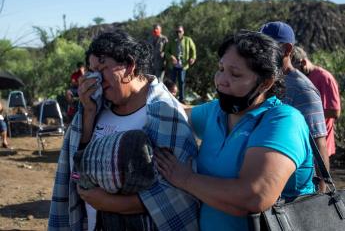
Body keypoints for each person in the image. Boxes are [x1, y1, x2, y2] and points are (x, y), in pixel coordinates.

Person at [156, 31, 315, 231]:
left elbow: (254, 196)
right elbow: (180, 112)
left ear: (266, 82)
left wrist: (185, 179)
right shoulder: (217, 111)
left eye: (235, 74)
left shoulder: (283, 121)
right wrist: (149, 88)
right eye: (220, 69)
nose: (221, 79)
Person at [48, 30, 199, 231]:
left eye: (102, 69)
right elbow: (77, 166)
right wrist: (89, 113)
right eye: (92, 71)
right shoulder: (96, 105)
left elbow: (176, 192)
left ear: (129, 66)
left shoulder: (164, 113)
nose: (96, 79)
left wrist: (111, 204)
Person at [260, 21, 330, 191]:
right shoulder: (265, 80)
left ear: (287, 49)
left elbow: (319, 142)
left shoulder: (302, 89)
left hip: (295, 192)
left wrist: (322, 192)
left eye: (267, 46)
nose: (260, 52)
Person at [292, 46, 341, 157]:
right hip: (301, 142)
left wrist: (302, 114)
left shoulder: (324, 77)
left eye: (294, 69)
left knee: (320, 174)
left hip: (319, 141)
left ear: (303, 62)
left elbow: (334, 112)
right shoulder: (297, 79)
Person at [165, 25, 196, 104]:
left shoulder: (188, 40)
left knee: (181, 82)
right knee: (172, 82)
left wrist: (193, 58)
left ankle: (182, 99)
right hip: (173, 65)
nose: (178, 33)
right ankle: (171, 98)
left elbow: (193, 50)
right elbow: (166, 52)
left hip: (183, 65)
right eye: (177, 31)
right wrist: (171, 57)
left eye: (180, 31)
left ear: (183, 32)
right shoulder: (172, 40)